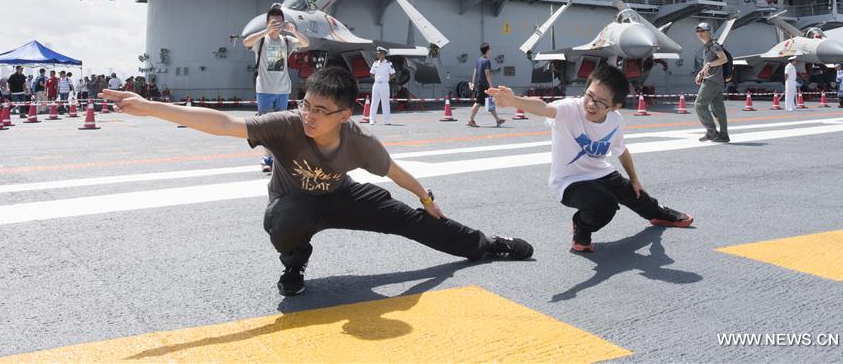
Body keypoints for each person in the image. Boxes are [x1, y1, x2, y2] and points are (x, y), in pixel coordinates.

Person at [101, 67, 533, 296]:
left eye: (319, 110)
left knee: (416, 221)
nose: (308, 115)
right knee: (283, 219)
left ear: (344, 115)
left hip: (342, 196)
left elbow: (396, 172)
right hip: (297, 205)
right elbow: (225, 123)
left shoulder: (359, 140)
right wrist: (152, 107)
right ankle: (295, 262)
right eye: (305, 104)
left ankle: (486, 245)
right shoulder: (285, 125)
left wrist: (427, 198)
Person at [487, 64, 693, 253]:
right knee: (605, 205)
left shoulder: (615, 121)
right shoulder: (569, 108)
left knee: (637, 194)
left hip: (601, 172)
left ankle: (658, 214)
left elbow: (621, 150)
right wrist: (514, 100)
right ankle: (581, 225)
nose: (591, 105)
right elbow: (543, 107)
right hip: (569, 181)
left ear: (615, 106)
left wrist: (635, 180)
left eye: (601, 102)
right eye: (590, 96)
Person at [243, 4, 310, 172]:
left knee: (280, 126)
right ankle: (267, 158)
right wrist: (266, 31)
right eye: (273, 22)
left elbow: (306, 42)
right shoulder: (261, 40)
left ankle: (278, 158)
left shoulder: (287, 40)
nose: (277, 25)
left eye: (279, 22)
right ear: (267, 23)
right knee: (266, 127)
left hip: (282, 89)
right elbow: (246, 42)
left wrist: (293, 30)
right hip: (265, 89)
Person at [694, 23, 730, 143]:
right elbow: (710, 64)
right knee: (718, 108)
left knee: (699, 105)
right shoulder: (707, 46)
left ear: (709, 32)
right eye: (697, 30)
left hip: (712, 81)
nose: (699, 33)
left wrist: (708, 65)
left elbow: (723, 59)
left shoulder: (713, 45)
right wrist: (701, 73)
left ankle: (711, 133)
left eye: (702, 30)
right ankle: (724, 135)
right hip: (715, 80)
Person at [467, 43, 505, 128]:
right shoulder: (486, 61)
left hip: (480, 85)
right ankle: (470, 120)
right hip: (484, 85)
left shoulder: (479, 60)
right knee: (478, 103)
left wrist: (473, 83)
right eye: (490, 48)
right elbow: (487, 74)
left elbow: (475, 72)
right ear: (487, 50)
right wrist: (491, 86)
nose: (491, 50)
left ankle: (498, 120)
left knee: (489, 102)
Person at [368, 46, 395, 125]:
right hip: (376, 84)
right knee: (374, 102)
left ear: (384, 54)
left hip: (384, 84)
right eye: (378, 53)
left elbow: (393, 74)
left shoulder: (388, 64)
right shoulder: (375, 63)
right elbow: (371, 74)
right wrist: (377, 78)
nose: (378, 54)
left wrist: (386, 79)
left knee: (385, 102)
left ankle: (386, 120)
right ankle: (372, 119)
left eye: (380, 53)